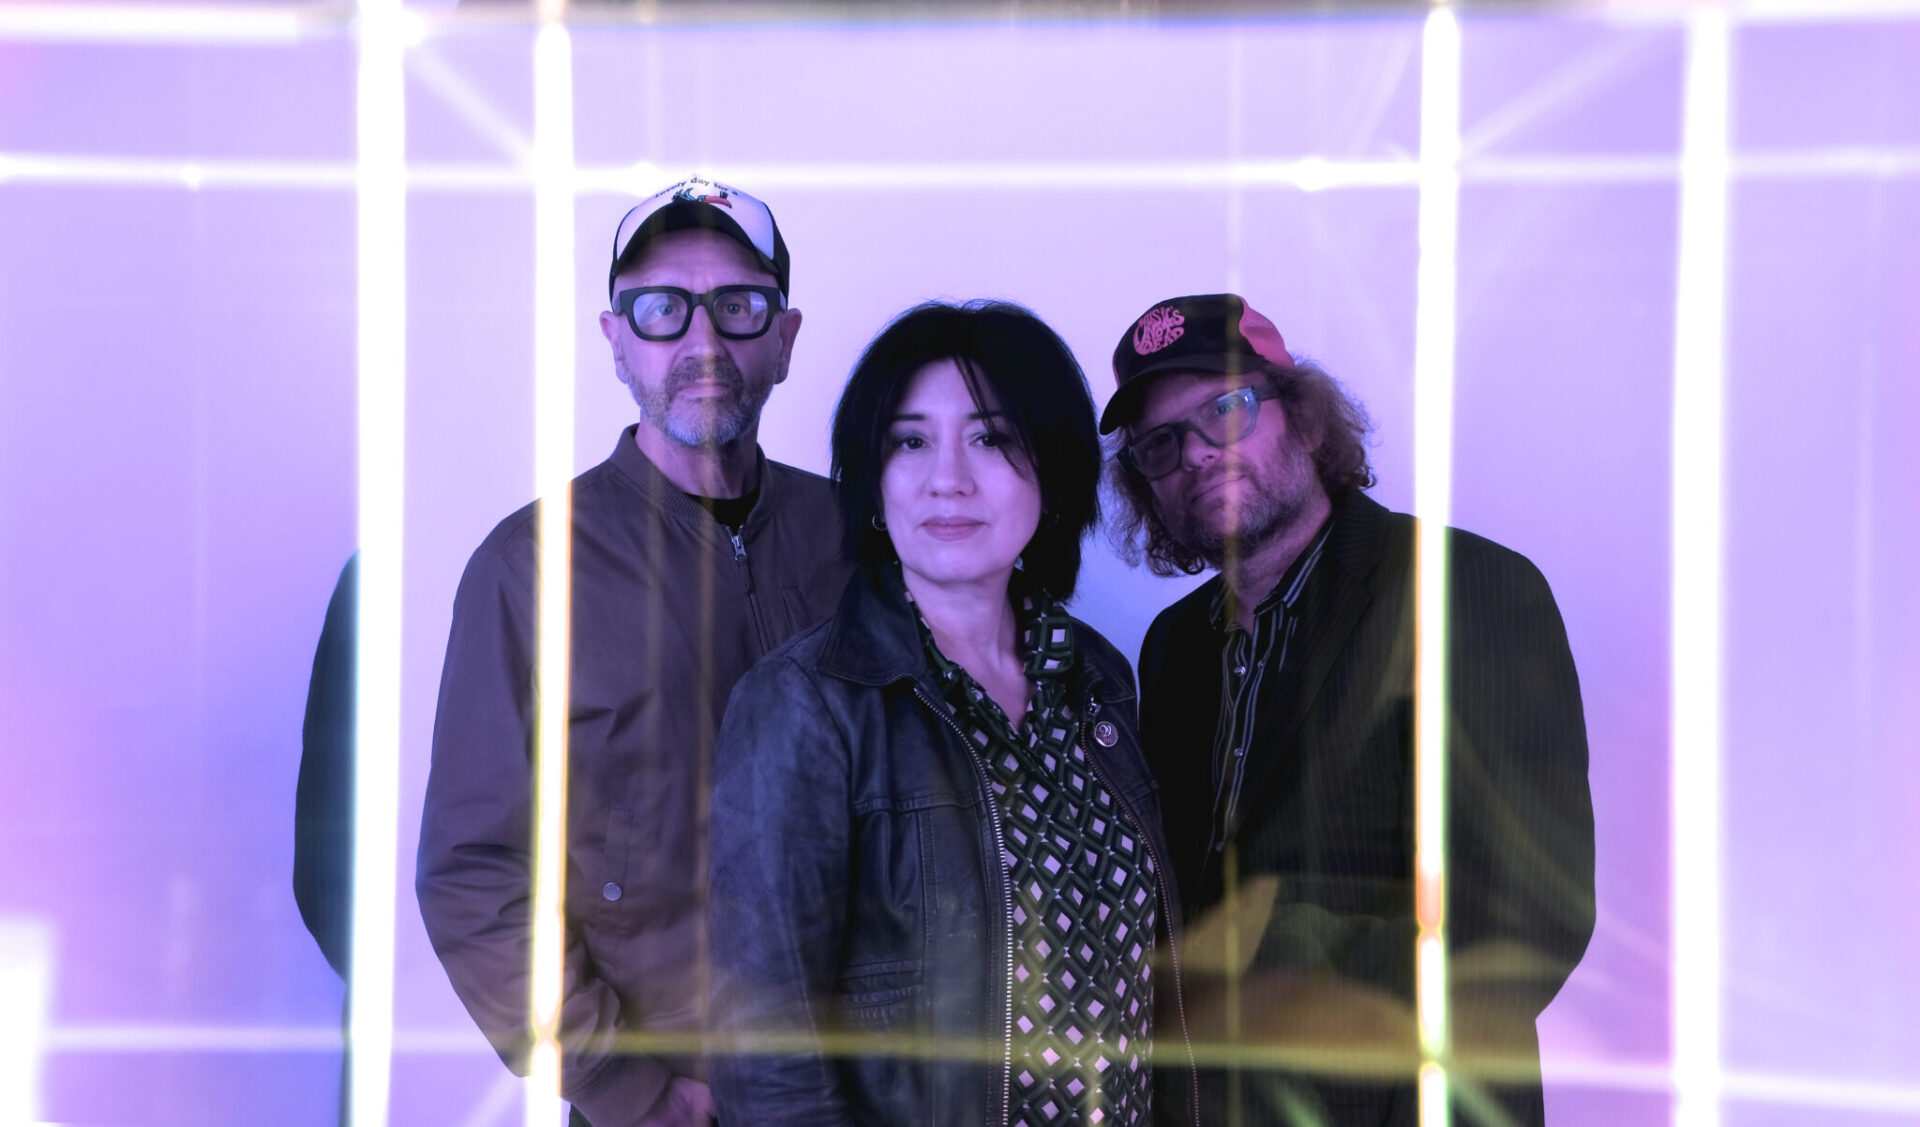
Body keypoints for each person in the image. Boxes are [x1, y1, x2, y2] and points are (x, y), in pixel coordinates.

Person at [417, 175, 851, 1127]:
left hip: (868, 1090)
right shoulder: (529, 568)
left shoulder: (860, 537)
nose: (704, 344)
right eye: (663, 309)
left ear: (785, 337)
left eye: (739, 306)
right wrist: (626, 1085)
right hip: (669, 1101)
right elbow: (474, 873)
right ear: (616, 340)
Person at [1101, 294, 1596, 1126]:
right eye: (1162, 442)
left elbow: (1528, 914)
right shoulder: (1171, 648)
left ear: (1304, 419)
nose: (1196, 454)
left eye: (1226, 407)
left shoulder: (1464, 591)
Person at [706, 301, 1197, 1127]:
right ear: (872, 478)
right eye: (910, 441)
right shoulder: (804, 703)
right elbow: (768, 1056)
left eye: (991, 438)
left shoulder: (1099, 677)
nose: (948, 479)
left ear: (1052, 469)